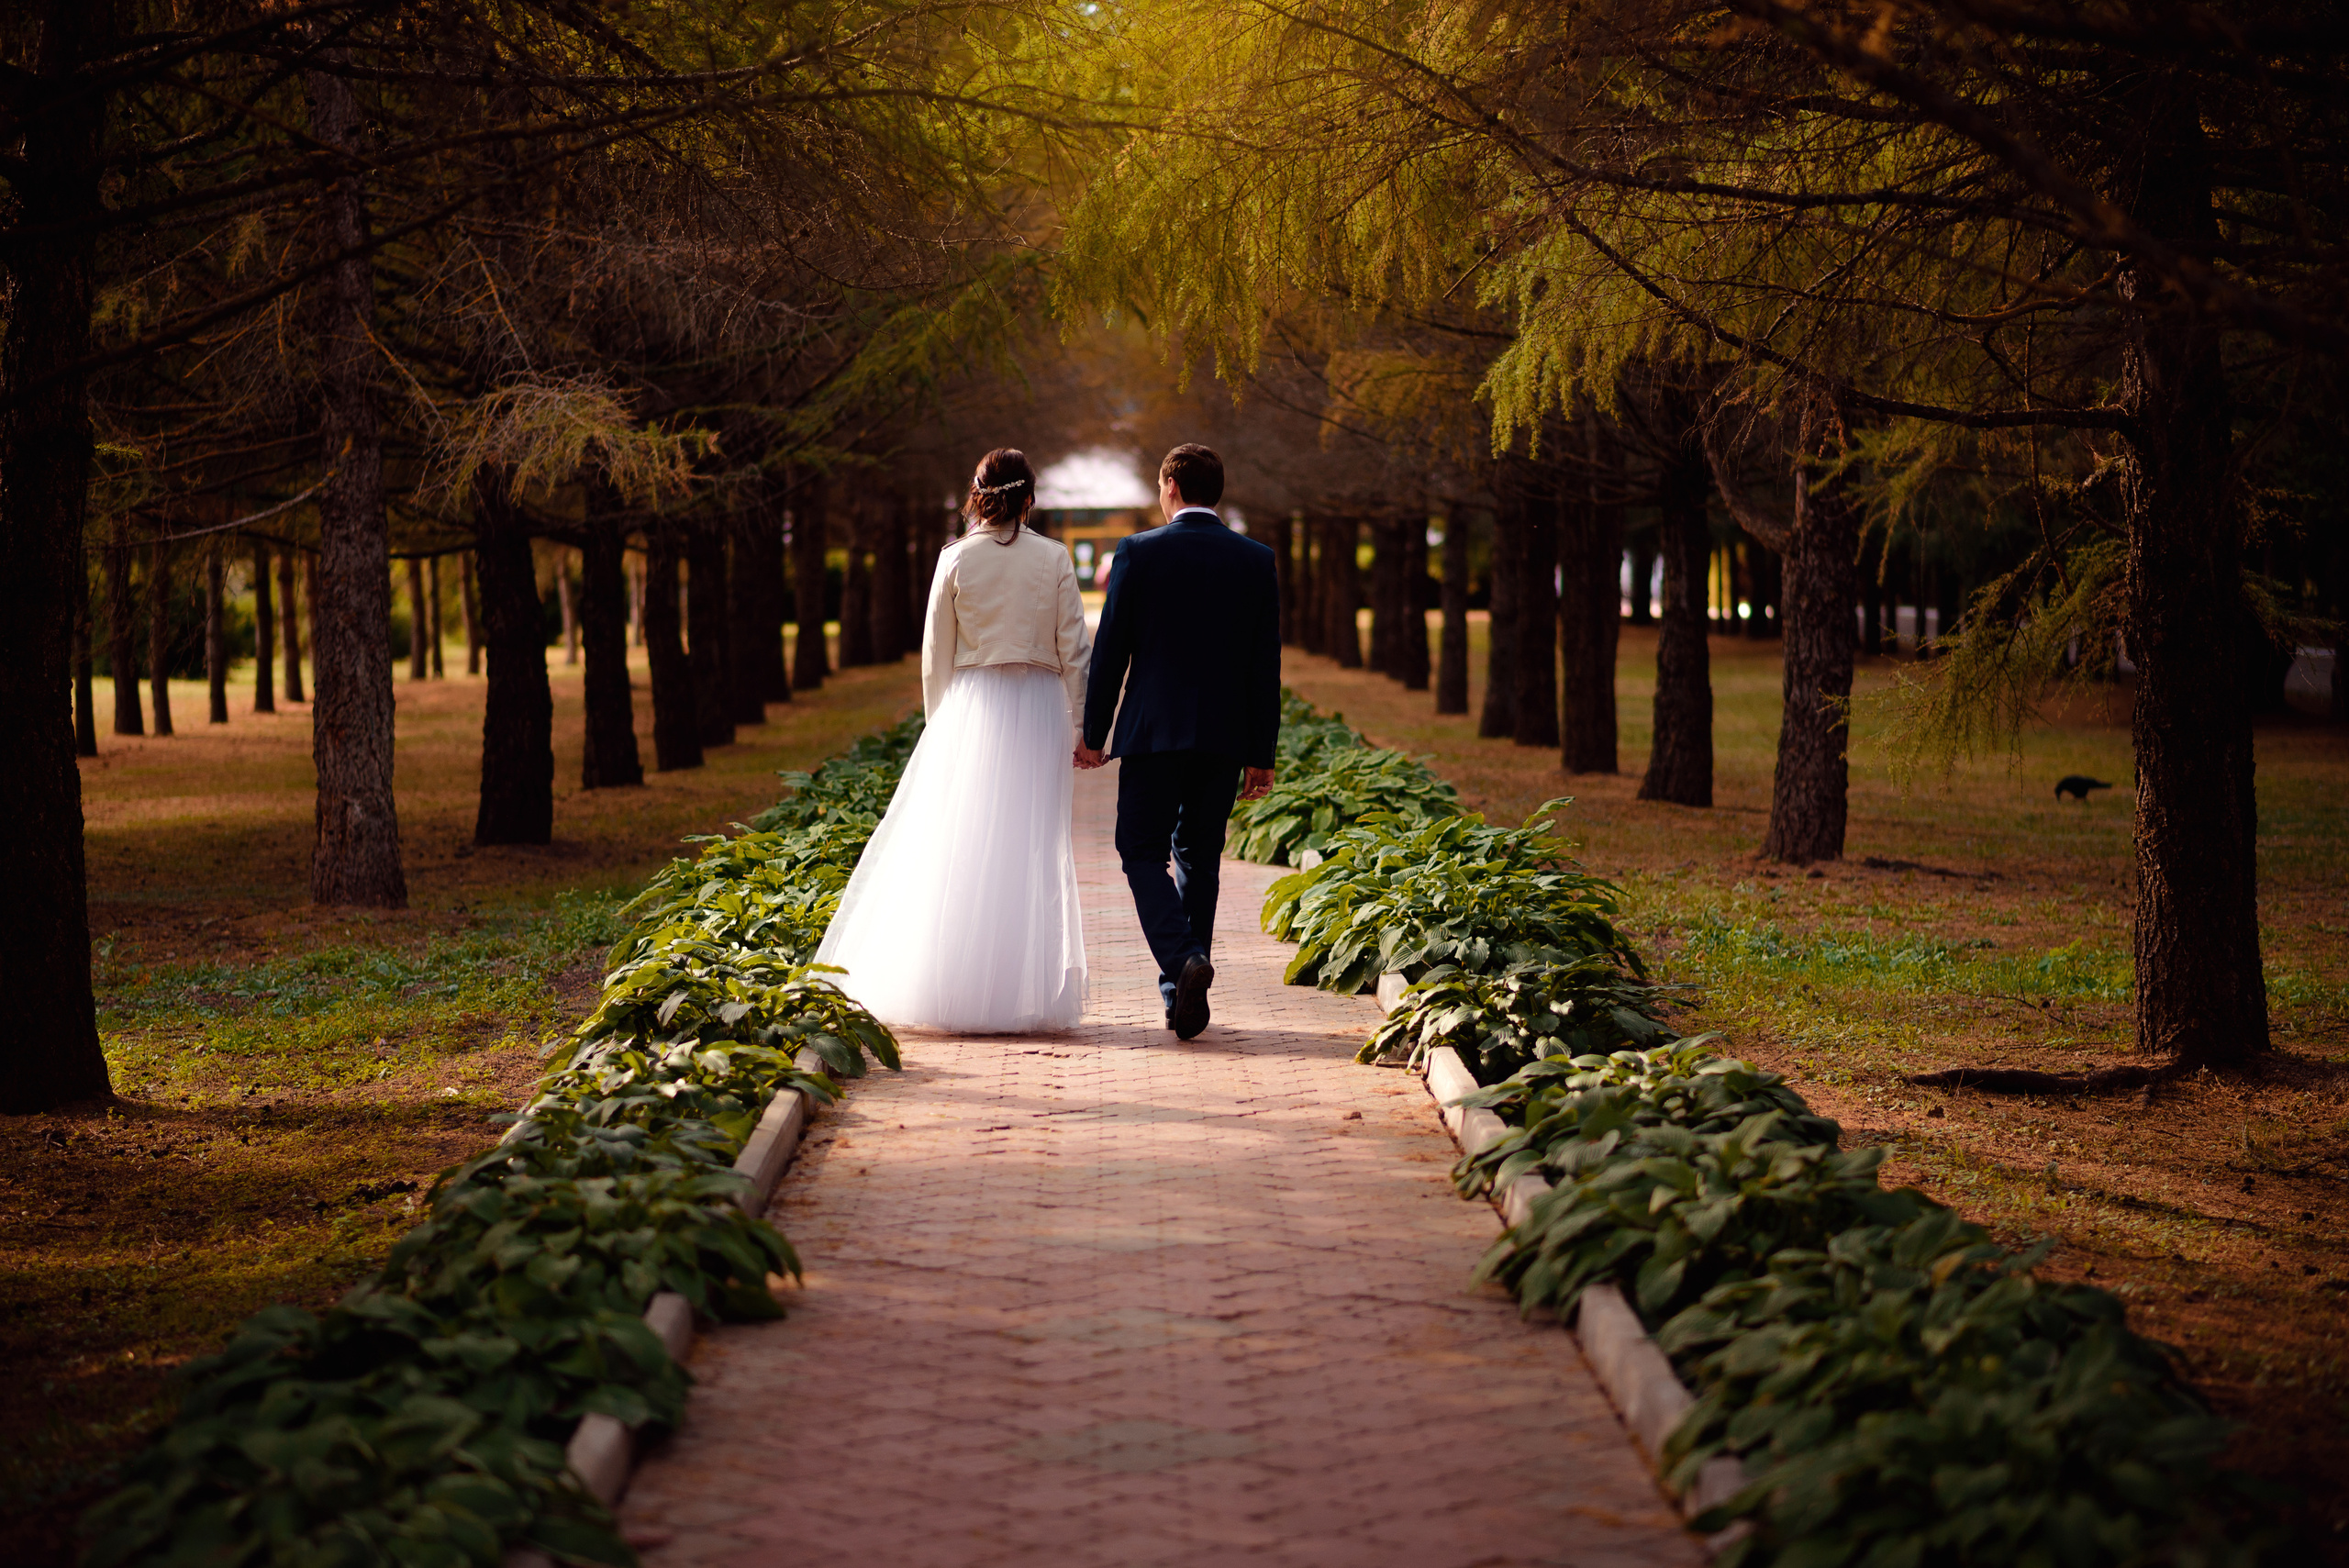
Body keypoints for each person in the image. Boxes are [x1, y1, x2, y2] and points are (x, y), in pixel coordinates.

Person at [815, 449, 1090, 1032]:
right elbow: (1074, 647)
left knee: (964, 837)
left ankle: (956, 985)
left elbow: (935, 652)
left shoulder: (955, 558)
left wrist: (940, 723)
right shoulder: (1054, 557)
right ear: (1028, 498)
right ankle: (1019, 988)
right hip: (1039, 702)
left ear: (978, 495)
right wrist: (1083, 723)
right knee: (1031, 840)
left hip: (972, 702)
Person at [1075, 443, 1280, 1040]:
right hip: (1224, 736)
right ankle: (1182, 993)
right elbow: (1263, 666)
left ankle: (1184, 959)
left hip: (1153, 733)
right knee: (1199, 856)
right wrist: (1261, 753)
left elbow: (1111, 651)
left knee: (1140, 850)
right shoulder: (1256, 559)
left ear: (1170, 485)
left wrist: (1094, 733)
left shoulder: (1138, 552)